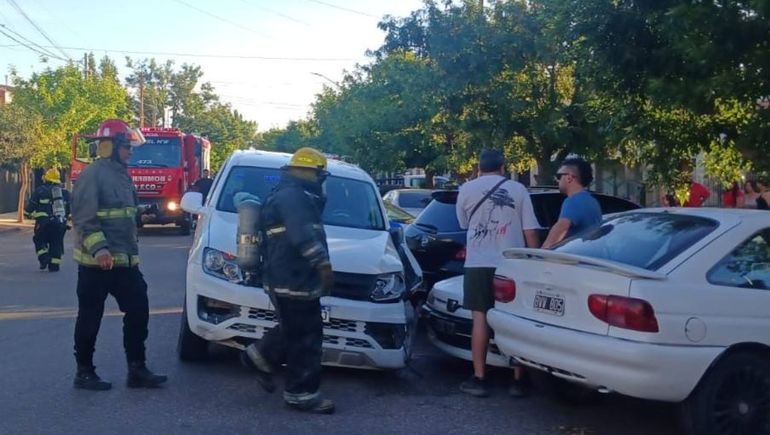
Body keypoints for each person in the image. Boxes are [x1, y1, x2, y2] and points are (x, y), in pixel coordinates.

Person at [70, 119, 167, 391]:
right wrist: (99, 249)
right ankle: (84, 372)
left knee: (139, 311)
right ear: (108, 147)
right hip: (96, 264)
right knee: (90, 318)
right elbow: (84, 217)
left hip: (125, 261)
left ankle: (137, 369)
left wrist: (141, 213)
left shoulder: (122, 173)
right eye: (126, 147)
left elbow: (121, 211)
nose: (131, 152)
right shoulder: (93, 174)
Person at [242, 147, 335, 414]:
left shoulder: (287, 194)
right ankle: (302, 395)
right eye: (320, 175)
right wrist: (323, 264)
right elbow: (302, 233)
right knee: (306, 339)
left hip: (284, 276)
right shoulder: (295, 197)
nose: (321, 181)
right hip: (295, 278)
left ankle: (258, 356)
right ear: (312, 172)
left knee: (294, 329)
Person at [455, 149, 540, 398]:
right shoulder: (518, 189)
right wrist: (534, 260)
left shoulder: (466, 190)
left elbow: (463, 223)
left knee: (479, 318)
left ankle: (479, 378)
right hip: (511, 264)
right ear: (503, 167)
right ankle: (518, 381)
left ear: (479, 168)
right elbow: (531, 231)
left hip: (478, 263)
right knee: (514, 320)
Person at [542, 157, 602, 249]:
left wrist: (539, 255)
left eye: (559, 176)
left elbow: (559, 230)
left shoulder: (573, 201)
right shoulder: (592, 201)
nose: (557, 180)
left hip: (575, 259)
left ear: (569, 178)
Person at [24, 168, 70, 272]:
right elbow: (70, 209)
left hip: (43, 223)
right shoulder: (65, 193)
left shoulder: (40, 191)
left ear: (46, 179)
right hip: (59, 224)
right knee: (57, 243)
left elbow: (30, 207)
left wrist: (26, 214)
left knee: (39, 239)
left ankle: (44, 257)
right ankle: (54, 266)